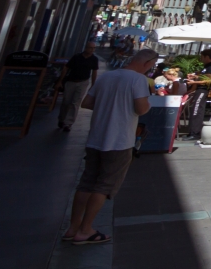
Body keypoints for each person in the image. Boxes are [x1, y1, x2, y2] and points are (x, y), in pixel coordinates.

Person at [62, 49, 157, 245]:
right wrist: (149, 104)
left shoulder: (107, 76)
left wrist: (109, 104)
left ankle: (72, 228)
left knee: (86, 182)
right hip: (119, 140)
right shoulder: (138, 80)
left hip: (96, 137)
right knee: (104, 185)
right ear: (147, 64)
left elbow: (87, 103)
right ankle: (86, 230)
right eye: (152, 66)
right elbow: (141, 108)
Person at [57, 41, 100, 132]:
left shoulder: (94, 59)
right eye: (91, 48)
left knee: (75, 103)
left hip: (83, 82)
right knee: (66, 101)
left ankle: (68, 123)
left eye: (94, 48)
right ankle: (62, 119)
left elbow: (94, 72)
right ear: (86, 48)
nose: (92, 50)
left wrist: (93, 85)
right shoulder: (77, 57)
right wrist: (60, 81)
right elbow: (66, 67)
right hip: (71, 81)